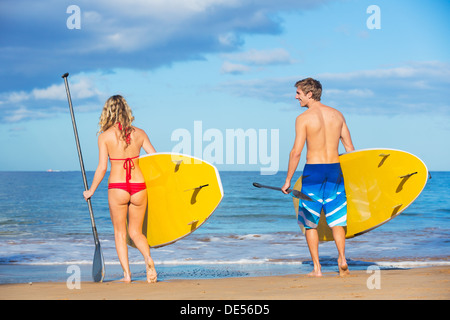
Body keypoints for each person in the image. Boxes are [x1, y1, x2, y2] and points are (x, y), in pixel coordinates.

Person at [281, 78, 355, 277]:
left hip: (313, 172)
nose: (296, 97)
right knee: (337, 219)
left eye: (298, 93)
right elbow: (350, 150)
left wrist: (288, 180)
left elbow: (296, 152)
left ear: (309, 94)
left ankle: (317, 268)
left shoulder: (303, 118)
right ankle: (342, 259)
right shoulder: (337, 115)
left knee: (310, 222)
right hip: (335, 171)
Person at [83, 95, 157, 283]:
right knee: (136, 232)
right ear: (126, 110)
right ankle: (148, 259)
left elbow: (102, 168)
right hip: (139, 186)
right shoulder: (140, 133)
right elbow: (155, 159)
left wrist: (91, 190)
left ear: (108, 112)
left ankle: (127, 275)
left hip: (118, 186)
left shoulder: (105, 137)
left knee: (120, 233)